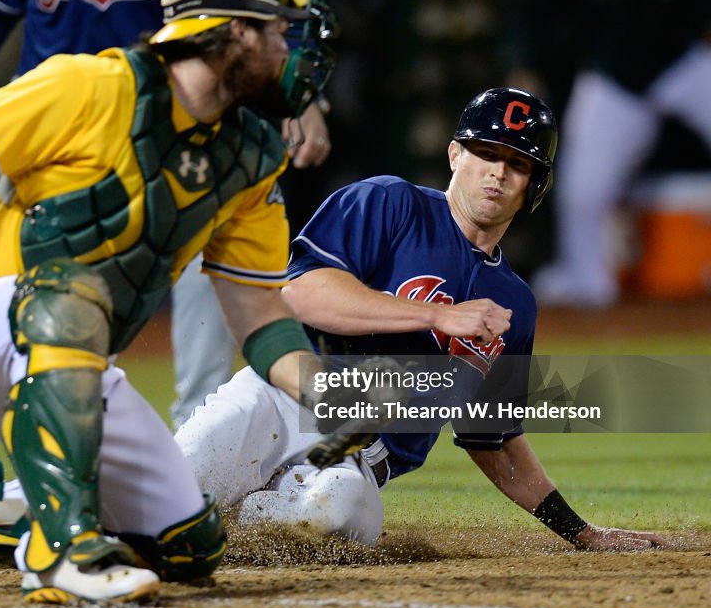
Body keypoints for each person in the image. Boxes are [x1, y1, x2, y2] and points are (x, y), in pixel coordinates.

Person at [0, 0, 339, 606]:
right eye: (276, 31)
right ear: (234, 32)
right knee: (73, 292)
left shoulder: (250, 157)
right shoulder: (91, 85)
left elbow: (262, 318)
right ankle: (59, 554)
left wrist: (338, 392)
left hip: (71, 359)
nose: (287, 51)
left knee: (186, 543)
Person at [175, 87, 666, 551]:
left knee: (335, 513)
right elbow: (302, 293)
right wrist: (437, 315)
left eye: (518, 164)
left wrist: (579, 531)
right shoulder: (388, 203)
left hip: (357, 464)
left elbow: (492, 438)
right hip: (280, 403)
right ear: (455, 156)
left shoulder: (513, 305)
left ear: (534, 186)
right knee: (165, 494)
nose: (497, 173)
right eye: (487, 153)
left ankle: (246, 517)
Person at [503, 0, 711, 308]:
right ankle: (588, 288)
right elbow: (540, 6)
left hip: (684, 61)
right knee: (582, 189)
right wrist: (527, 63)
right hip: (614, 76)